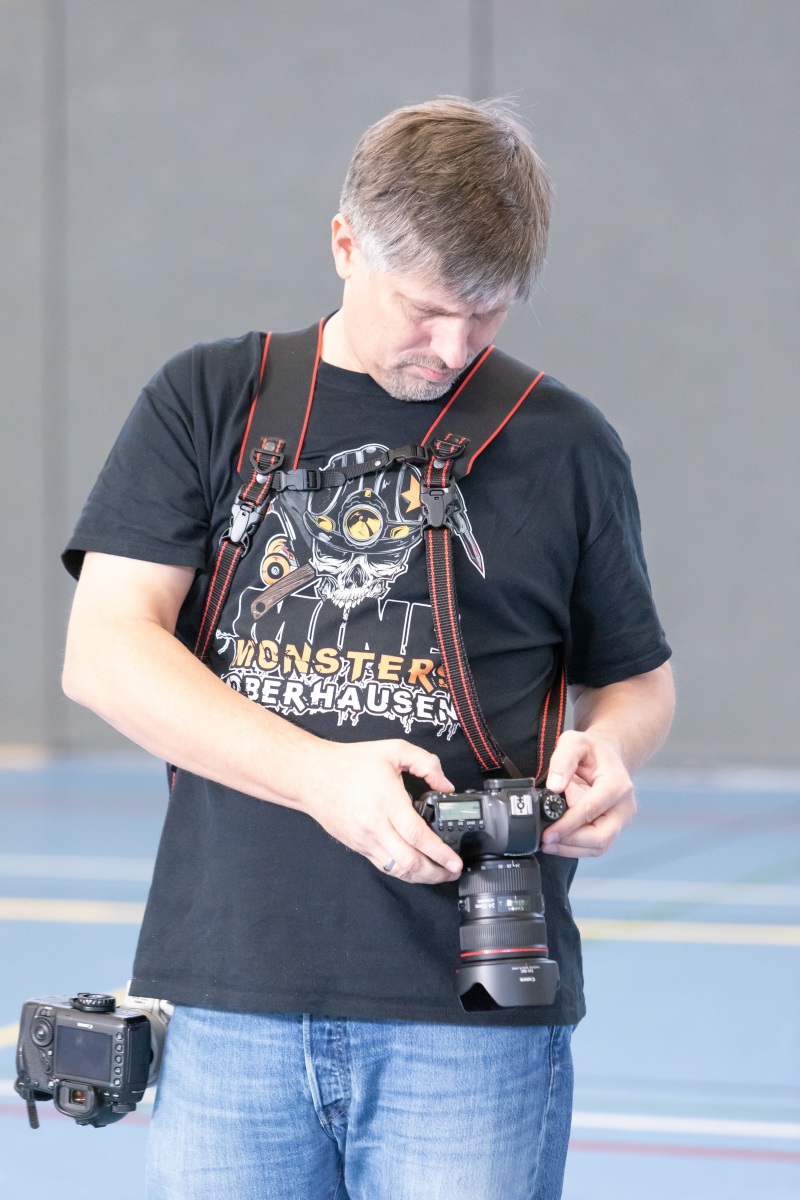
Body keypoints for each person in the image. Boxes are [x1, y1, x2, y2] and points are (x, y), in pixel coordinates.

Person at [62, 97, 674, 1200]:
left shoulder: (567, 445)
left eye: (485, 314)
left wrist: (612, 749)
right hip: (231, 997)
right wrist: (318, 778)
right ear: (345, 244)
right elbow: (105, 652)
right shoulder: (212, 399)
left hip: (474, 1017)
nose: (453, 350)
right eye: (426, 310)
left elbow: (633, 678)